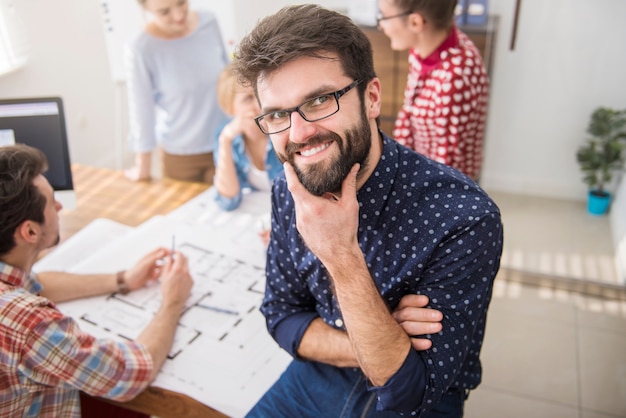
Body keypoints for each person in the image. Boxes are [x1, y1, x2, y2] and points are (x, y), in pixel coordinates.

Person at [232, 4, 503, 417]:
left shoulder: (463, 217)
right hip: (318, 376)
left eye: (320, 100)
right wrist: (383, 339)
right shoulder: (289, 188)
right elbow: (282, 315)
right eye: (277, 115)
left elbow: (408, 392)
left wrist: (341, 257)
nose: (299, 133)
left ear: (371, 97)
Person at [0, 144, 194, 417]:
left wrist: (122, 279)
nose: (59, 206)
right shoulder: (29, 324)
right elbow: (129, 373)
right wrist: (173, 301)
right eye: (51, 200)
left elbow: (36, 283)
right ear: (30, 231)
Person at [377, 0, 489, 181]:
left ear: (415, 23)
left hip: (441, 186)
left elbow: (448, 170)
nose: (381, 25)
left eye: (384, 16)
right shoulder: (424, 49)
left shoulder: (455, 78)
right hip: (419, 167)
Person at [124, 0, 229, 183]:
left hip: (226, 144)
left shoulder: (209, 23)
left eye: (181, 3)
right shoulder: (141, 48)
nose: (179, 15)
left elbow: (230, 81)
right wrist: (143, 167)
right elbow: (142, 111)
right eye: (164, 12)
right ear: (146, 9)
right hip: (182, 156)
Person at [213, 63, 282, 212]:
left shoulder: (284, 128)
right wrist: (225, 140)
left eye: (259, 94)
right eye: (248, 98)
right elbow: (228, 200)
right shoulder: (225, 135)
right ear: (230, 107)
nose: (259, 104)